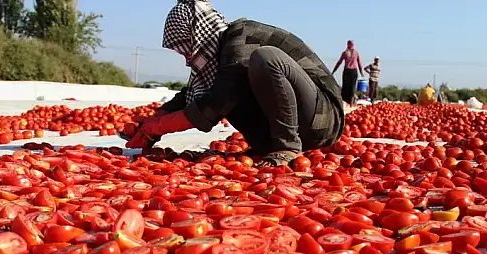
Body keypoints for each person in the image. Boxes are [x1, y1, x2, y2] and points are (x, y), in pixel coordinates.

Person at [123, 0, 344, 167]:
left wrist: (162, 125)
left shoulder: (242, 37)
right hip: (296, 122)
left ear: (198, 35)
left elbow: (218, 100)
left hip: (321, 119)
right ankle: (273, 145)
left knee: (266, 58)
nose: (188, 58)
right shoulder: (221, 55)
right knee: (230, 87)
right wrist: (153, 122)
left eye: (187, 47)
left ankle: (287, 146)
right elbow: (193, 94)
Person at [332, 40, 364, 105]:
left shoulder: (347, 53)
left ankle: (350, 103)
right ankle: (348, 103)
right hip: (351, 71)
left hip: (350, 71)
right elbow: (339, 62)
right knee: (349, 87)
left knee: (349, 87)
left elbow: (339, 62)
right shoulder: (351, 53)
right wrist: (334, 71)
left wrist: (361, 72)